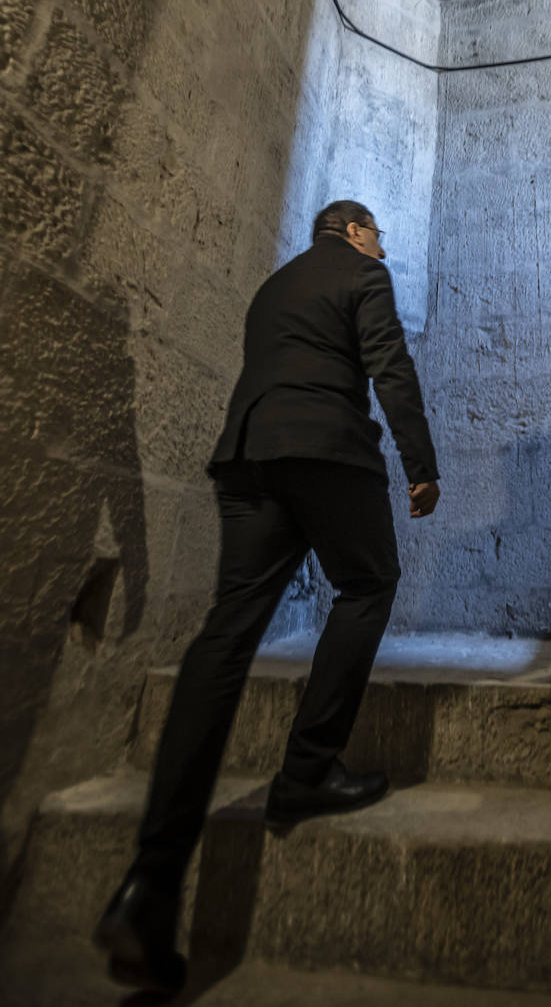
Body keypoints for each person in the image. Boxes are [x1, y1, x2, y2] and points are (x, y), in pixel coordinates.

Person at [93, 200, 439, 995]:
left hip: (249, 458)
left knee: (224, 638)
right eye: (377, 234)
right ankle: (307, 772)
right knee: (368, 582)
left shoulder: (274, 287)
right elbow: (390, 366)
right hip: (326, 453)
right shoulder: (364, 274)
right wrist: (421, 463)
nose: (380, 244)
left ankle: (149, 884)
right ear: (355, 232)